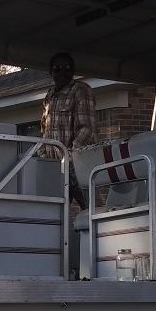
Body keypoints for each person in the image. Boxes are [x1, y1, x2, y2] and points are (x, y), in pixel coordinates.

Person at [40, 52, 98, 207]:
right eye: (57, 68)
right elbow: (45, 130)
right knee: (55, 212)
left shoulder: (81, 90)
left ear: (72, 71)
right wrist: (43, 156)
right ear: (51, 72)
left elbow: (87, 129)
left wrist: (70, 157)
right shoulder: (49, 95)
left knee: (90, 209)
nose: (62, 72)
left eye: (66, 68)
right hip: (55, 167)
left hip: (78, 164)